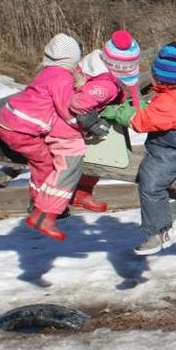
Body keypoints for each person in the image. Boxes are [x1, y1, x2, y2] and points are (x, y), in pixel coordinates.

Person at [101, 42, 176, 255]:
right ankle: (165, 221)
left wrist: (120, 114)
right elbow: (161, 112)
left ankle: (154, 234)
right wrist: (147, 106)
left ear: (160, 77)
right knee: (161, 181)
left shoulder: (168, 101)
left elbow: (142, 122)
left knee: (150, 182)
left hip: (172, 148)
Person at [0, 33, 82, 241]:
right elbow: (65, 108)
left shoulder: (46, 72)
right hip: (21, 130)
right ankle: (40, 204)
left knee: (40, 160)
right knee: (45, 162)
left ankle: (40, 201)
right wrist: (78, 125)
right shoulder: (62, 77)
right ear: (73, 58)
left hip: (8, 119)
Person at [66, 30, 142, 213]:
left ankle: (77, 193)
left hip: (80, 117)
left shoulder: (99, 63)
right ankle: (78, 194)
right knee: (102, 154)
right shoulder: (106, 85)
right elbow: (78, 103)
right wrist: (92, 123)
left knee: (96, 155)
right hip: (75, 123)